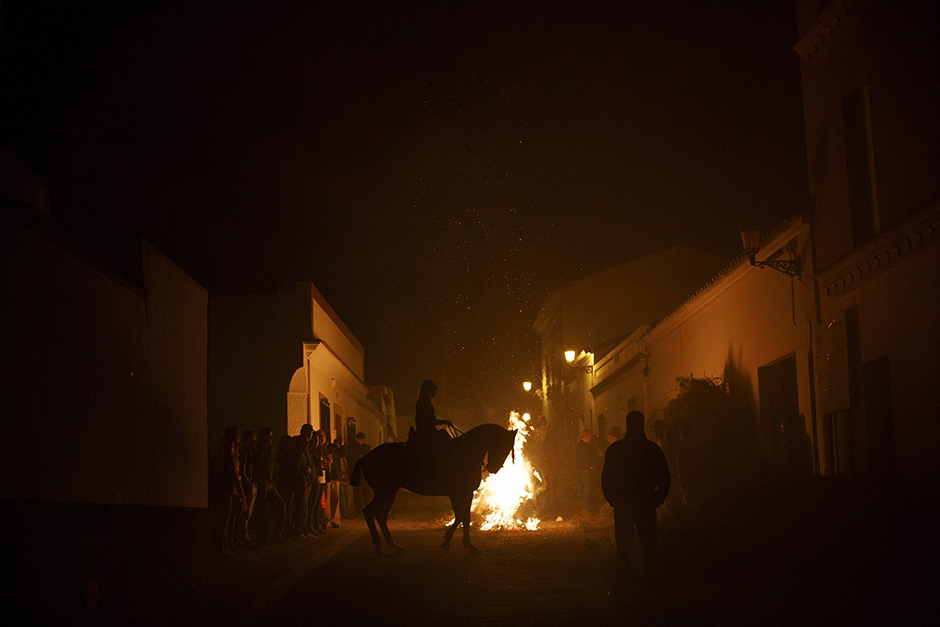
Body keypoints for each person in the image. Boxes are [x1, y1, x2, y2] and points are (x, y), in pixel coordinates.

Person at [602, 411, 671, 597]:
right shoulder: (652, 449)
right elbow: (665, 477)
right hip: (645, 504)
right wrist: (658, 499)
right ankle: (650, 586)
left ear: (627, 425)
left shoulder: (616, 450)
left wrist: (613, 499)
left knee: (623, 548)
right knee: (648, 547)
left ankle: (622, 587)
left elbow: (606, 479)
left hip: (624, 505)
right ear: (642, 425)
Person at [253, 427, 286, 545]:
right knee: (261, 512)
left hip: (270, 484)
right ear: (263, 437)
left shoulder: (269, 449)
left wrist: (273, 480)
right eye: (269, 436)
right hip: (262, 484)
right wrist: (261, 481)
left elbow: (271, 466)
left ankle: (277, 534)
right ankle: (261, 537)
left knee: (280, 505)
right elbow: (255, 468)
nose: (271, 439)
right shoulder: (257, 450)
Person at [412, 379, 454, 448]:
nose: (435, 392)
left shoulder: (423, 402)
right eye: (433, 390)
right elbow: (429, 421)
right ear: (428, 390)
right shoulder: (425, 404)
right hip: (427, 433)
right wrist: (444, 422)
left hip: (425, 432)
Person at [235, 429, 258, 549]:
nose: (253, 443)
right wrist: (249, 484)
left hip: (249, 485)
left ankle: (244, 538)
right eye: (251, 440)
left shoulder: (249, 452)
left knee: (247, 514)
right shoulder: (244, 453)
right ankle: (243, 538)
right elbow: (242, 471)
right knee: (245, 514)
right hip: (246, 487)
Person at [575, 429, 602, 515]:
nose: (591, 437)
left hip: (588, 469)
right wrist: (584, 468)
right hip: (585, 470)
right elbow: (580, 459)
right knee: (587, 488)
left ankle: (587, 507)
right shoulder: (581, 445)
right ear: (586, 435)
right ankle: (585, 508)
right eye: (590, 435)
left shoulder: (585, 445)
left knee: (588, 488)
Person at [325, 433, 344, 528]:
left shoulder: (334, 447)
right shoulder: (322, 448)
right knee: (327, 499)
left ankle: (335, 520)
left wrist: (341, 445)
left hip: (335, 475)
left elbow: (342, 455)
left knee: (336, 498)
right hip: (327, 476)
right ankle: (327, 520)